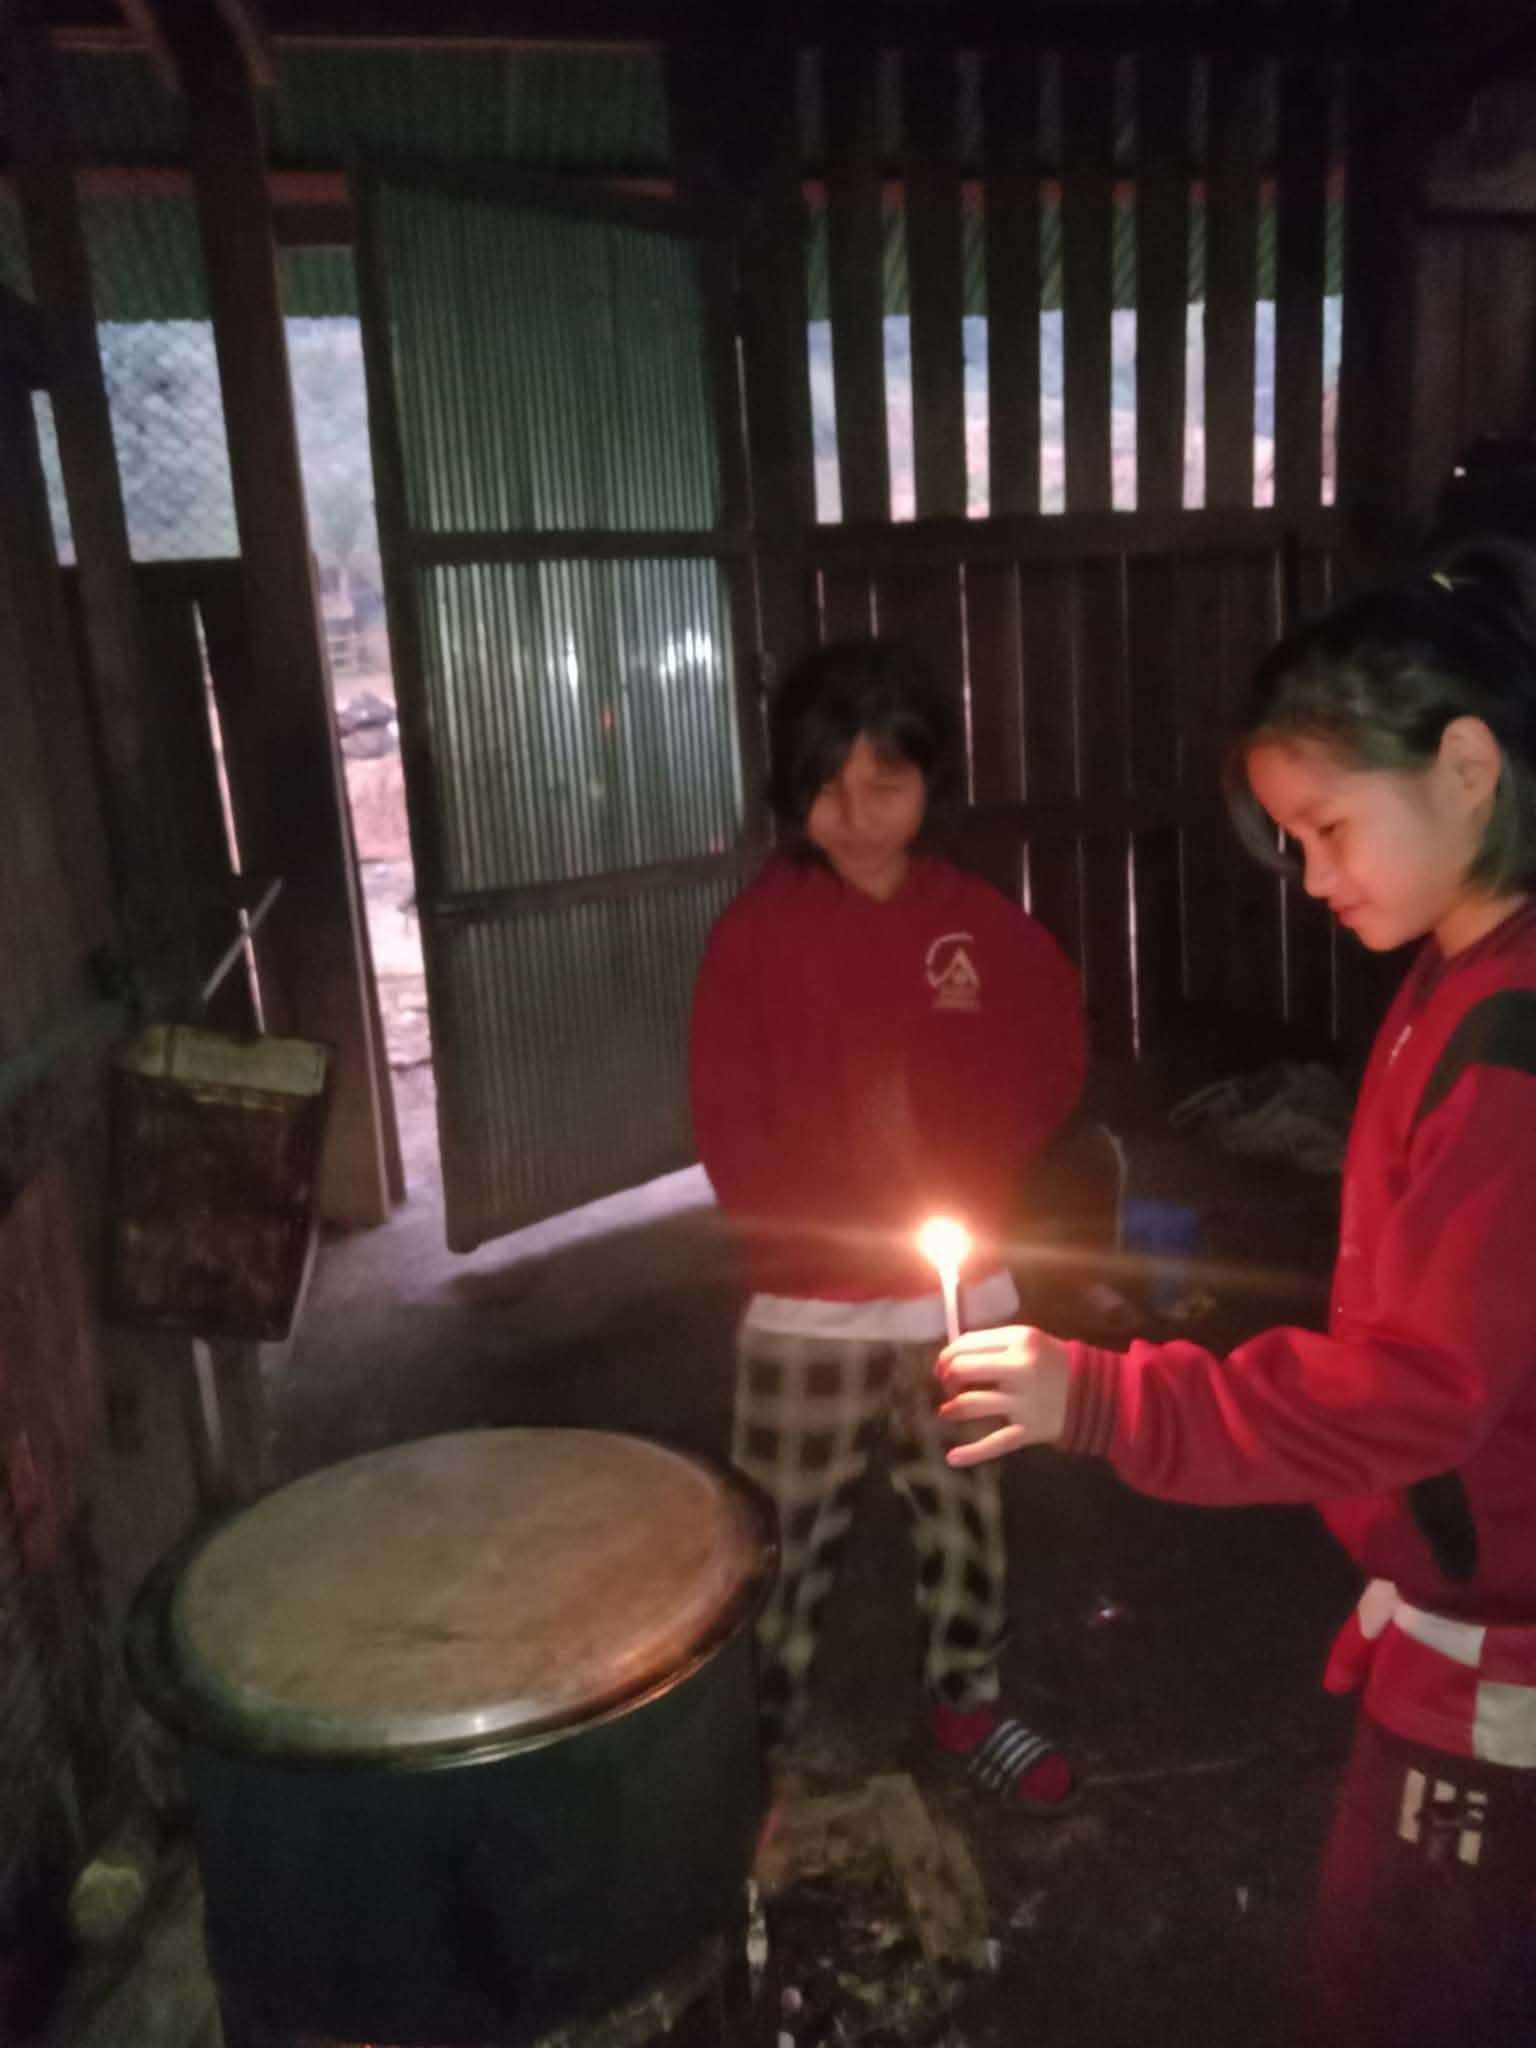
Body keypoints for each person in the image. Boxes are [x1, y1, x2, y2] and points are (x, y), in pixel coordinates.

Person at [937, 541, 1536, 2043]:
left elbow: (1416, 1390)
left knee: (1402, 1987)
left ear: (1468, 767)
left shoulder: (1513, 1055)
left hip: (1511, 1642)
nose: (1313, 877)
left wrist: (1113, 1400)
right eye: (1294, 839)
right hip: (1456, 1592)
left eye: (1328, 829)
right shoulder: (1454, 975)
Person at [690, 638, 1086, 1810]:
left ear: (931, 784)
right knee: (779, 1532)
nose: (858, 815)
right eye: (828, 787)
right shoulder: (753, 938)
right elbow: (729, 1116)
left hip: (960, 1298)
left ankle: (968, 1701)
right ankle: (748, 1744)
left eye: (888, 784)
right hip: (807, 1307)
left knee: (967, 1511)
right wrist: (793, 1226)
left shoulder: (980, 923)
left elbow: (1052, 1049)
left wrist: (984, 1170)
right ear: (789, 790)